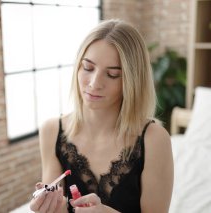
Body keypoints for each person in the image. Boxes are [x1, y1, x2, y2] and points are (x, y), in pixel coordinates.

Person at [29, 19, 173, 213]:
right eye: (88, 68)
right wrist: (51, 208)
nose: (94, 83)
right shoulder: (51, 131)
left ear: (132, 81)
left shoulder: (154, 139)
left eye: (112, 74)